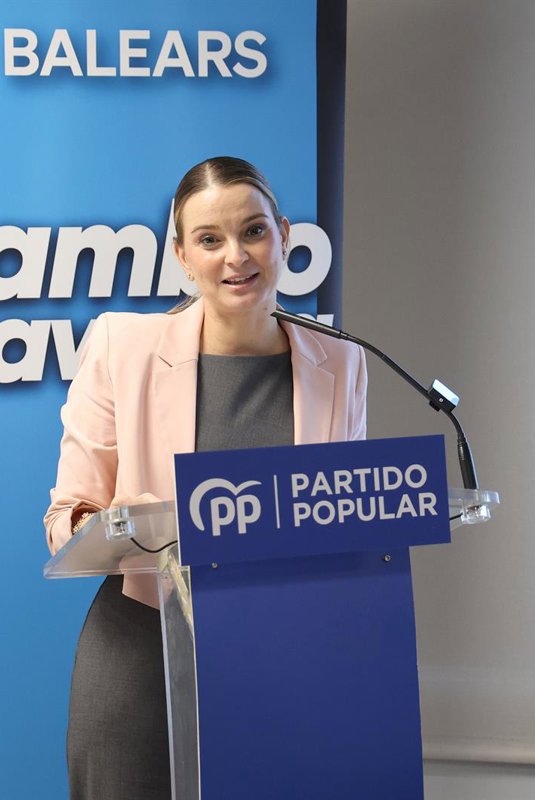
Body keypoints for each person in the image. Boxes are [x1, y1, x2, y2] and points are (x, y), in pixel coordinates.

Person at [44, 156, 367, 799]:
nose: (235, 257)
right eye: (210, 239)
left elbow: (346, 522)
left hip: (283, 658)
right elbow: (64, 521)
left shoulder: (341, 362)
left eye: (254, 231)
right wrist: (121, 525)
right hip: (142, 652)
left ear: (284, 237)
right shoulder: (121, 346)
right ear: (183, 257)